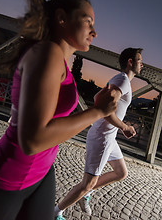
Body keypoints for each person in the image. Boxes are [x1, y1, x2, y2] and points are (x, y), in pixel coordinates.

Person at [0, 0, 119, 220]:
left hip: (39, 174)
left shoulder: (57, 58)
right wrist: (98, 111)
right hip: (4, 182)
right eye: (87, 21)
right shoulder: (47, 53)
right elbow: (32, 141)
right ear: (62, 18)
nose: (95, 32)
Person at [54, 47, 144, 219]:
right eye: (140, 61)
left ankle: (86, 194)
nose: (142, 65)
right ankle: (57, 212)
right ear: (130, 62)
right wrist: (125, 127)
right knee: (88, 183)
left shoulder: (122, 80)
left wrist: (119, 127)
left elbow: (97, 98)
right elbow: (102, 107)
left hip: (109, 137)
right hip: (102, 137)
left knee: (120, 173)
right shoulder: (123, 80)